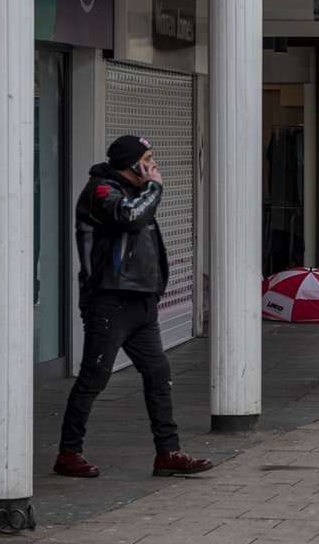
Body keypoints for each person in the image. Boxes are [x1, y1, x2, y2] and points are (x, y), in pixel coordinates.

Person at [55, 136, 213, 480]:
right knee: (94, 378)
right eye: (147, 160)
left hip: (141, 302)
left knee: (158, 375)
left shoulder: (137, 195)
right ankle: (69, 452)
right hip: (110, 300)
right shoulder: (101, 192)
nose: (153, 166)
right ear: (131, 164)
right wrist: (154, 188)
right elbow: (128, 219)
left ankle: (167, 452)